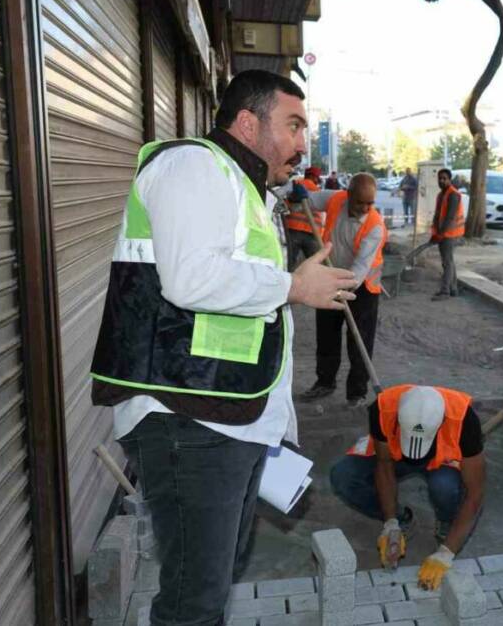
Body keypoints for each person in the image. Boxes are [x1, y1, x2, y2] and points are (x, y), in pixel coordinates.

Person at [89, 70, 358, 625]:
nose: (303, 143)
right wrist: (291, 285)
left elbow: (239, 310)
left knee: (212, 583)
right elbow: (189, 280)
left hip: (227, 413)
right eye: (293, 125)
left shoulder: (245, 188)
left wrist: (278, 427)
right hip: (188, 419)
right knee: (195, 601)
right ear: (246, 121)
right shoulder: (194, 166)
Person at [330, 384, 486, 590]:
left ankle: (448, 523)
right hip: (395, 453)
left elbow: (475, 494)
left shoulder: (464, 420)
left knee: (444, 487)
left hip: (442, 459)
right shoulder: (383, 408)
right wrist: (390, 521)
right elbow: (384, 466)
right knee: (344, 476)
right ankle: (403, 520)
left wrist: (447, 552)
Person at [293, 174, 387, 409]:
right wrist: (297, 194)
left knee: (359, 341)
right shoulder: (336, 199)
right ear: (349, 195)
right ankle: (325, 382)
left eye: (370, 203)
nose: (365, 208)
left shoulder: (375, 225)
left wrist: (338, 285)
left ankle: (356, 394)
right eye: (360, 203)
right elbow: (309, 201)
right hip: (331, 277)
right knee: (326, 335)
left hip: (362, 288)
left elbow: (359, 269)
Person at [430, 168, 465, 301]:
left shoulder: (453, 195)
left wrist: (441, 233)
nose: (442, 181)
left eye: (444, 178)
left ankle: (445, 291)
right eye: (440, 178)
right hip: (444, 233)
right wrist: (434, 232)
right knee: (449, 261)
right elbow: (438, 215)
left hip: (451, 233)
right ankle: (453, 289)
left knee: (447, 263)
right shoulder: (441, 195)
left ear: (450, 180)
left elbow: (450, 217)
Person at [284, 166, 326, 271]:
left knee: (288, 262)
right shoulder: (316, 190)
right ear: (313, 176)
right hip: (311, 232)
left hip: (292, 229)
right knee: (316, 264)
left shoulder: (294, 186)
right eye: (317, 177)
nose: (318, 179)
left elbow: (285, 206)